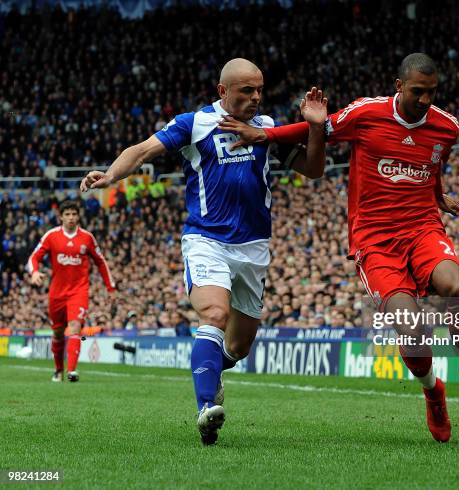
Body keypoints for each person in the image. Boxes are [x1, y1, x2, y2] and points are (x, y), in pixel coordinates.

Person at [218, 53, 459, 442]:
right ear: (399, 85)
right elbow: (313, 129)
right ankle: (433, 392)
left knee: (456, 286)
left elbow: (432, 163)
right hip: (374, 239)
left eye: (432, 93)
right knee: (412, 328)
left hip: (422, 227)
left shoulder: (446, 126)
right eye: (418, 92)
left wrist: (438, 194)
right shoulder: (365, 114)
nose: (425, 100)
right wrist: (265, 135)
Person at [80, 58, 328, 445]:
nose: (256, 97)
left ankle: (214, 371)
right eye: (247, 90)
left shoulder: (265, 128)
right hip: (206, 240)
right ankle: (205, 408)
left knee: (240, 346)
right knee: (214, 313)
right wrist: (111, 175)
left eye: (259, 89)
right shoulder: (195, 124)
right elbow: (143, 151)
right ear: (222, 91)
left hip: (254, 247)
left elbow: (313, 169)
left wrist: (315, 127)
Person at [27, 200, 116, 382]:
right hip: (57, 293)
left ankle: (72, 371)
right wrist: (34, 272)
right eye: (67, 214)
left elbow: (100, 261)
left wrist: (110, 287)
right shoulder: (51, 236)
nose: (71, 218)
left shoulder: (87, 238)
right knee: (58, 332)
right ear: (61, 217)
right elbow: (34, 257)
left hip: (79, 291)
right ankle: (58, 370)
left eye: (74, 214)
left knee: (75, 326)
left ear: (78, 216)